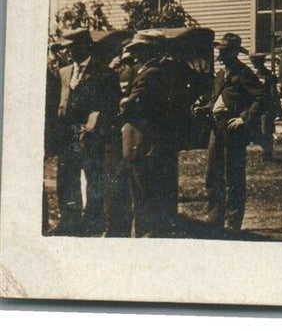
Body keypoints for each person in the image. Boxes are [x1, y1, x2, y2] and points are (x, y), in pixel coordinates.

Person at [116, 30, 184, 238]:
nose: (136, 54)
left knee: (144, 192)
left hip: (144, 140)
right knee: (145, 191)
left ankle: (148, 235)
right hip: (145, 140)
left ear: (151, 51)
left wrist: (124, 104)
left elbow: (130, 103)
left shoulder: (152, 73)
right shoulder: (151, 70)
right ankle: (148, 233)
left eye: (141, 50)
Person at [53, 30, 122, 235]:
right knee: (66, 177)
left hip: (92, 135)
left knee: (94, 177)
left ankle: (92, 220)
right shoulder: (64, 72)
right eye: (67, 47)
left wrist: (97, 117)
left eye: (73, 46)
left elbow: (112, 103)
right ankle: (69, 221)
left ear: (85, 45)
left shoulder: (104, 72)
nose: (69, 50)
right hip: (67, 135)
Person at [205, 33, 266, 232]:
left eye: (224, 51)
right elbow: (218, 98)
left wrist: (244, 118)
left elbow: (262, 98)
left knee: (233, 175)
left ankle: (233, 221)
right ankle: (215, 217)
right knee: (213, 172)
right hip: (217, 127)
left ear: (233, 53)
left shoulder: (244, 73)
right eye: (220, 51)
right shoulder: (222, 74)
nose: (220, 55)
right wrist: (206, 107)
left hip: (233, 129)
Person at [250, 52, 282, 162]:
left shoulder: (269, 76)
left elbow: (274, 94)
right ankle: (265, 150)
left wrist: (278, 111)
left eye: (256, 63)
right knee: (255, 131)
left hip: (267, 107)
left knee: (266, 131)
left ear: (261, 63)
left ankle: (268, 154)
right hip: (257, 107)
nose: (255, 65)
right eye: (253, 63)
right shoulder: (254, 76)